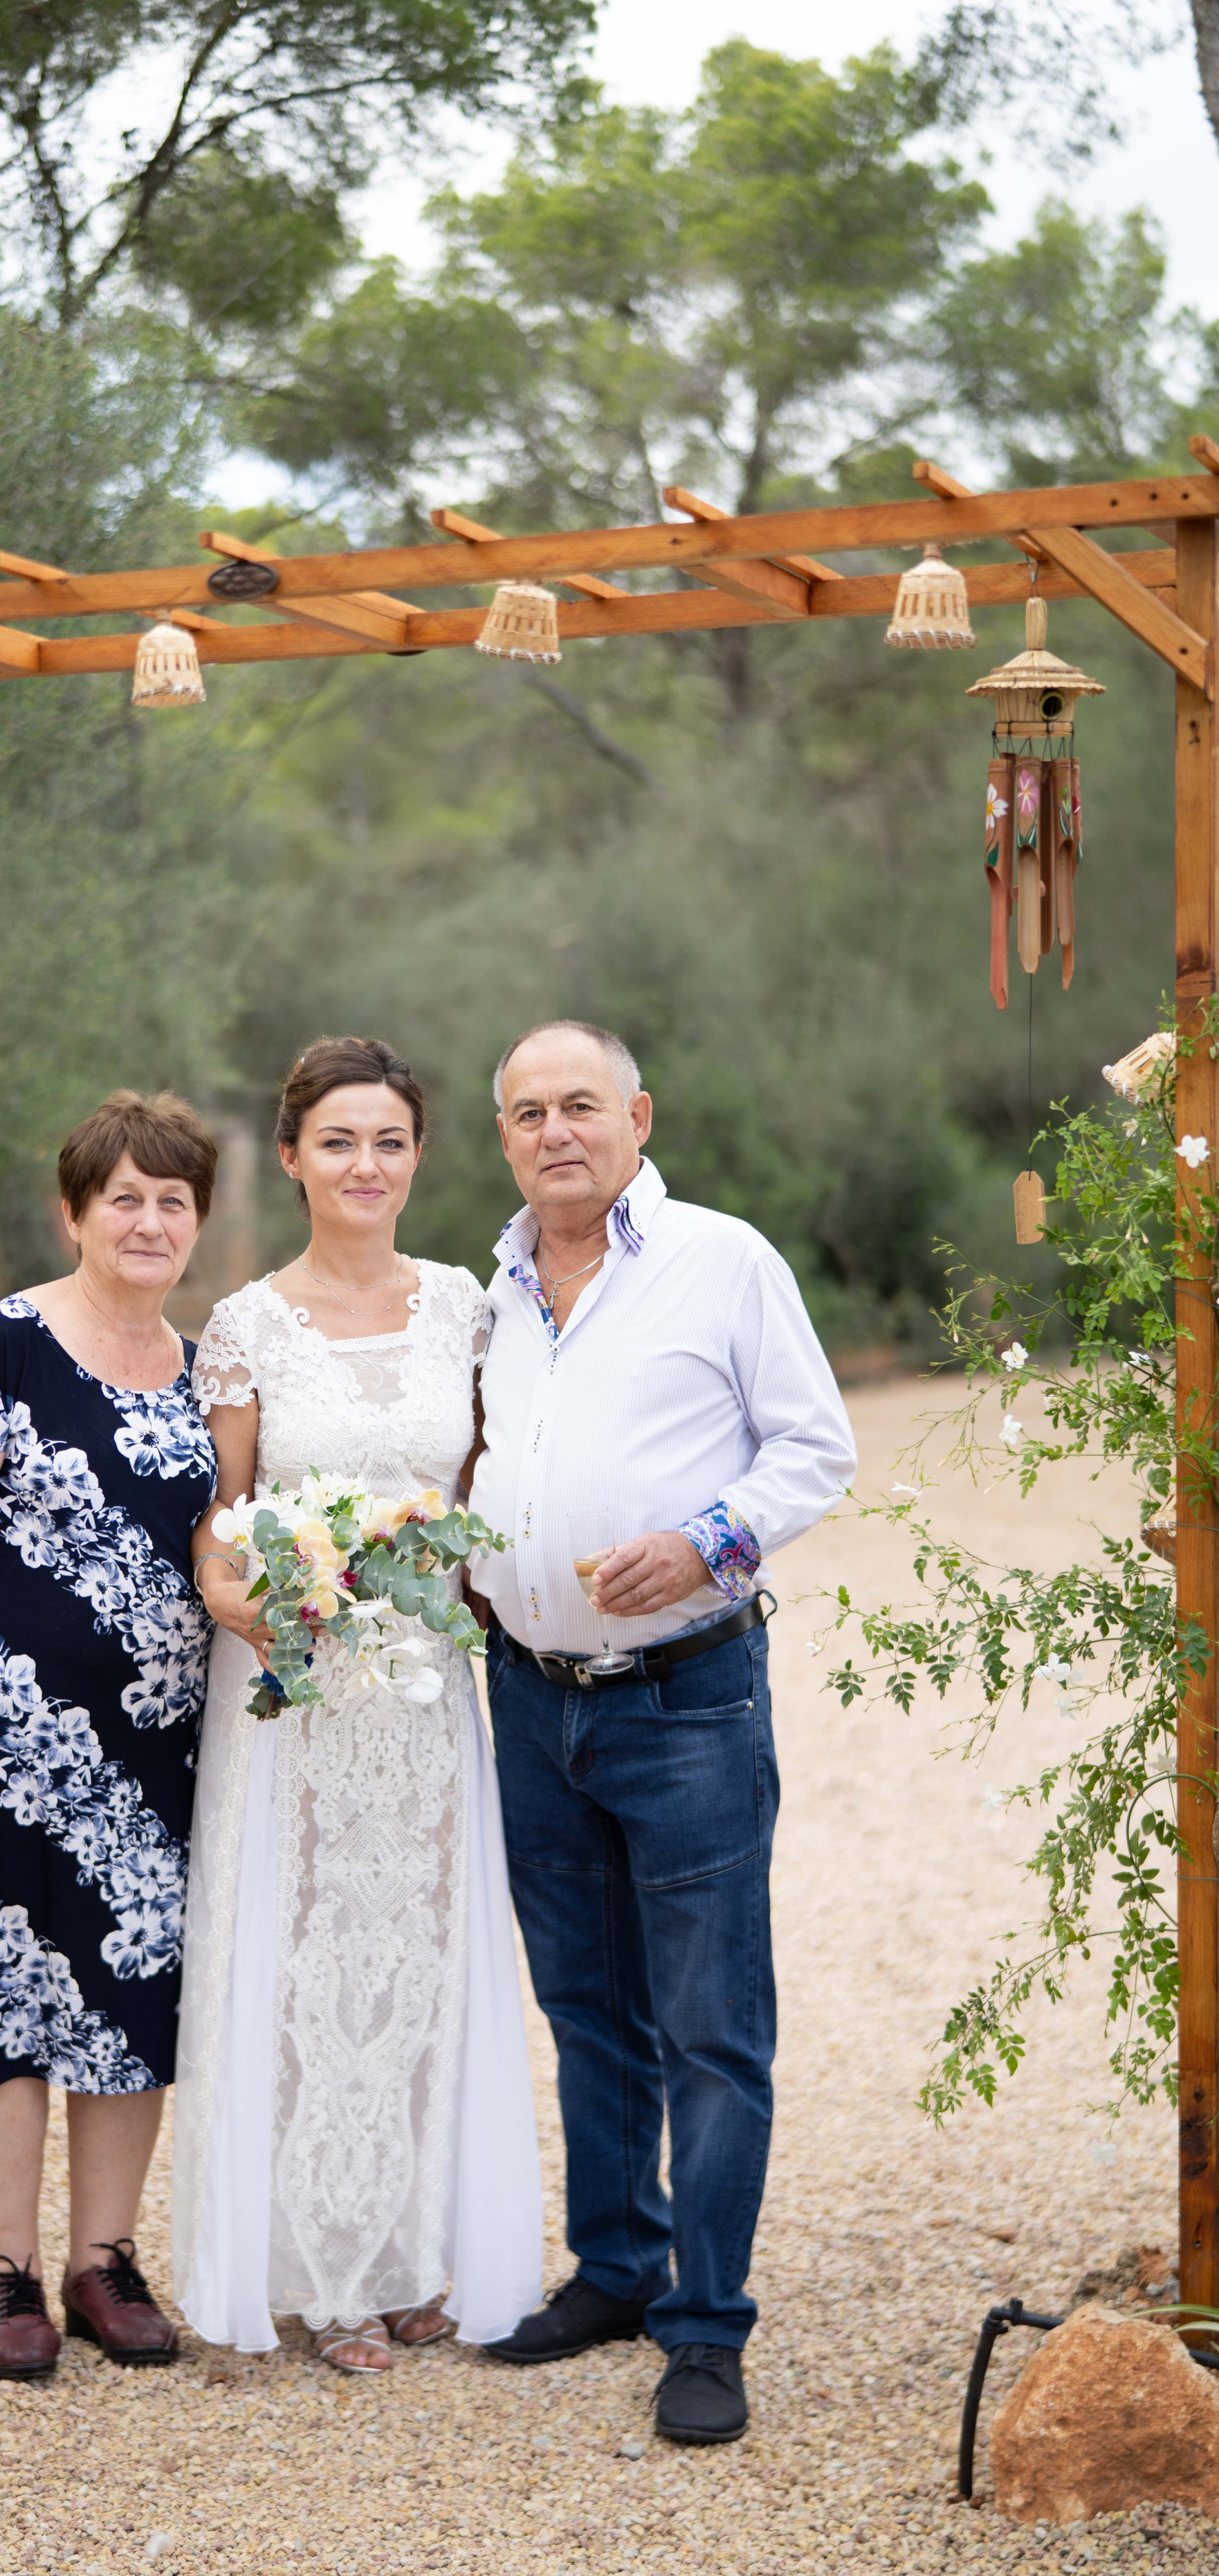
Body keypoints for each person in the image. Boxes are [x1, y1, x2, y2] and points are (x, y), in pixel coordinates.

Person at [470, 1021, 855, 2446]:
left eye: (579, 1104)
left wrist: (706, 1541)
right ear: (501, 1135)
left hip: (683, 1696)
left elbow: (812, 1446)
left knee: (708, 2031)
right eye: (525, 1112)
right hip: (526, 1699)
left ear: (635, 1114)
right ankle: (617, 2270)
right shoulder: (494, 1293)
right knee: (585, 2012)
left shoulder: (721, 1260)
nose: (553, 1130)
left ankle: (704, 2326)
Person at [174, 1036, 544, 2373]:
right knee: (305, 1963)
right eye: (338, 1140)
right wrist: (240, 1600)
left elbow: (490, 1485)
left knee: (421, 1958)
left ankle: (408, 2256)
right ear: (290, 1157)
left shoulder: (465, 1308)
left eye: (389, 1140)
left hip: (429, 1687)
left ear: (418, 1156)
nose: (365, 1164)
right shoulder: (249, 1325)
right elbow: (221, 1521)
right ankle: (318, 2274)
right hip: (298, 1689)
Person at [0, 1090, 221, 2380]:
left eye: (172, 1200)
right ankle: (7, 2274)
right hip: (4, 1755)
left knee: (129, 2006)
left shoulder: (200, 1371)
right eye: (123, 1196)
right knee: (4, 2006)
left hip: (153, 1759)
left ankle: (103, 2263)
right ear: (74, 1211)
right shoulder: (2, 1349)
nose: (147, 1220)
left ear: (197, 1223)